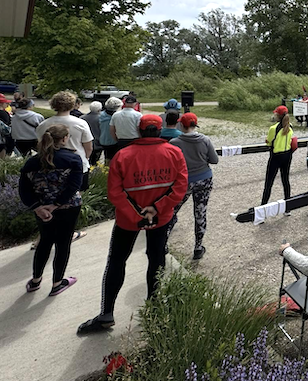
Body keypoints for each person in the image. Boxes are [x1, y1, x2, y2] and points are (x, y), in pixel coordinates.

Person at [77, 115, 188, 334]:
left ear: (138, 130)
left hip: (128, 220)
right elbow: (181, 185)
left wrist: (136, 213)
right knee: (156, 259)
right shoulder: (174, 152)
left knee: (117, 261)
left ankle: (106, 314)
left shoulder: (122, 155)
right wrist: (157, 208)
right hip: (160, 217)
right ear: (160, 130)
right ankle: (154, 308)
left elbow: (114, 192)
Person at [19, 124, 82, 296]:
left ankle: (35, 281)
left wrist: (37, 208)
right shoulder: (72, 159)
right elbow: (75, 186)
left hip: (42, 209)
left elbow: (24, 190)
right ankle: (57, 283)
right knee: (63, 243)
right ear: (63, 139)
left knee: (45, 242)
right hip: (68, 207)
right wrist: (57, 204)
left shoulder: (32, 162)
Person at [167, 113, 218, 260]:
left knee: (172, 210)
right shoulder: (205, 140)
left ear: (181, 125)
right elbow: (214, 160)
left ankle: (163, 242)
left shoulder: (174, 142)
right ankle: (198, 247)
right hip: (204, 179)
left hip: (184, 181)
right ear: (195, 125)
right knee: (200, 212)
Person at [36, 92, 93, 189]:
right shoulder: (81, 123)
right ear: (72, 105)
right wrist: (85, 158)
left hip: (50, 164)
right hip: (77, 164)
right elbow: (89, 148)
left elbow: (40, 145)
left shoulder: (44, 124)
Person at [260, 105, 295, 212]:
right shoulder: (290, 126)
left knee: (269, 182)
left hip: (276, 156)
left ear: (278, 116)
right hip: (287, 155)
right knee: (285, 180)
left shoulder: (273, 128)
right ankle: (287, 207)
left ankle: (263, 207)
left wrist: (267, 141)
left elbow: (269, 142)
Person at [99, 97, 122, 162]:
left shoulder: (101, 115)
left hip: (103, 139)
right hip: (114, 140)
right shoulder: (116, 116)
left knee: (107, 157)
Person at [81, 101, 104, 165]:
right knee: (95, 161)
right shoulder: (101, 119)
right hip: (97, 143)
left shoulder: (82, 118)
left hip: (85, 143)